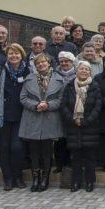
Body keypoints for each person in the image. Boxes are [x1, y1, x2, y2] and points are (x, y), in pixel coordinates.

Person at [0, 44, 31, 190]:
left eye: (16, 53)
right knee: (4, 148)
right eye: (11, 54)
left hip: (21, 115)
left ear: (21, 55)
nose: (14, 56)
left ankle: (18, 177)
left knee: (17, 148)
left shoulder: (28, 70)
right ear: (7, 55)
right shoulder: (0, 69)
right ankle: (8, 179)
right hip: (2, 115)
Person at [19, 54, 67, 192]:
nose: (41, 65)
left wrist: (48, 105)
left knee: (47, 150)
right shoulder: (29, 79)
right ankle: (36, 178)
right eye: (38, 63)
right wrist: (36, 105)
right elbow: (23, 97)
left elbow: (61, 99)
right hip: (33, 116)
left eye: (43, 62)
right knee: (34, 151)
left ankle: (45, 178)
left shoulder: (59, 80)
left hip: (50, 117)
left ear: (49, 63)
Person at [59, 61, 102, 192]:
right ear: (76, 71)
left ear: (90, 72)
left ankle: (89, 182)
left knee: (90, 157)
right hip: (73, 127)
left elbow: (97, 107)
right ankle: (75, 182)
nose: (84, 71)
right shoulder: (69, 86)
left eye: (86, 69)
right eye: (81, 69)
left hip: (90, 127)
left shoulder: (95, 87)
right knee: (75, 157)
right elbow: (63, 105)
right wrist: (74, 119)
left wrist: (85, 121)